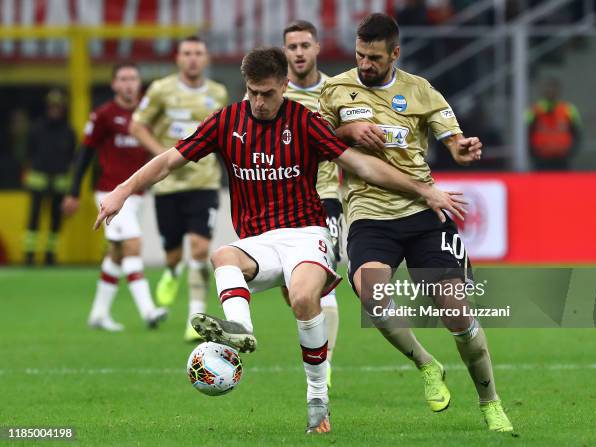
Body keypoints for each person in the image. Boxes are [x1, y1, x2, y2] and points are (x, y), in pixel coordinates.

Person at [94, 47, 467, 434]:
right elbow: (169, 160)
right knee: (223, 255)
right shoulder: (226, 121)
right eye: (253, 92)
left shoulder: (305, 122)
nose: (259, 102)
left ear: (284, 86)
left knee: (305, 298)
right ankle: (240, 329)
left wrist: (423, 191)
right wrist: (122, 190)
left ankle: (317, 399)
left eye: (268, 93)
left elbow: (361, 164)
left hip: (307, 234)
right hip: (259, 240)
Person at [317, 13, 513, 432]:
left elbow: (453, 140)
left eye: (374, 57)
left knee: (456, 313)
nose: (365, 64)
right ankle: (426, 364)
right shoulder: (335, 90)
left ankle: (490, 401)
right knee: (371, 294)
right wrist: (350, 130)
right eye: (359, 55)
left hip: (426, 213)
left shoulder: (420, 90)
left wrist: (463, 149)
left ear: (395, 54)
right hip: (370, 212)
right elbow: (317, 143)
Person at [130, 35, 228, 341]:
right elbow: (136, 125)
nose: (193, 58)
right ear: (177, 58)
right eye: (187, 53)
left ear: (206, 58)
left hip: (204, 183)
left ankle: (194, 318)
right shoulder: (161, 90)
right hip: (168, 185)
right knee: (173, 255)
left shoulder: (218, 93)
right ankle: (172, 272)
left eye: (198, 53)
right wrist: (162, 153)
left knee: (199, 249)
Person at [62, 62, 167, 331]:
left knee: (117, 255)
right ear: (114, 85)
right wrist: (74, 191)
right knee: (132, 246)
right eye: (123, 79)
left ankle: (98, 314)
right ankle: (148, 311)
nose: (129, 83)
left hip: (139, 194)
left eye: (133, 78)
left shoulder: (148, 114)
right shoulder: (104, 115)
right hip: (110, 193)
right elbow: (84, 154)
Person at [282, 20, 340, 388]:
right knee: (296, 293)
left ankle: (326, 366)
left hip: (326, 200)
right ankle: (318, 349)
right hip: (281, 206)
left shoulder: (338, 90)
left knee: (322, 287)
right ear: (284, 51)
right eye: (292, 47)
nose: (300, 52)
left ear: (318, 48)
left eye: (305, 45)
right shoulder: (271, 92)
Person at [23, 89, 76, 266]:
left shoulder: (68, 131)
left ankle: (50, 254)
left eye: (58, 106)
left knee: (55, 219)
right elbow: (28, 152)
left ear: (63, 108)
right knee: (34, 217)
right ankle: (29, 254)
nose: (55, 110)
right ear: (47, 107)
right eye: (52, 106)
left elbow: (72, 156)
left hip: (60, 180)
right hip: (38, 178)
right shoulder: (37, 128)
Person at [527, 77, 581, 170]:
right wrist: (534, 155)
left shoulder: (568, 110)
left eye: (553, 88)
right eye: (548, 88)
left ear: (558, 91)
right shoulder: (534, 111)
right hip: (541, 161)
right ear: (543, 91)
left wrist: (569, 153)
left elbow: (577, 135)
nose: (551, 91)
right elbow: (526, 134)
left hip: (562, 160)